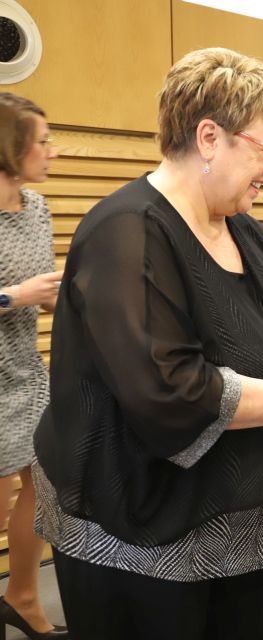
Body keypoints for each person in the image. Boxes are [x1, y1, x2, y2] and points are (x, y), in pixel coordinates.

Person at [31, 48, 263, 640]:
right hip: (140, 536)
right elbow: (168, 389)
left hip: (238, 528)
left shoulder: (245, 231)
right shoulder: (126, 233)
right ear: (209, 137)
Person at [0, 94, 68, 640]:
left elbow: (42, 293)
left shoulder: (37, 208)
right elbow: (18, 293)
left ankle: (21, 597)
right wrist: (11, 295)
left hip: (27, 371)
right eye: (41, 142)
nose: (50, 152)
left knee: (45, 486)